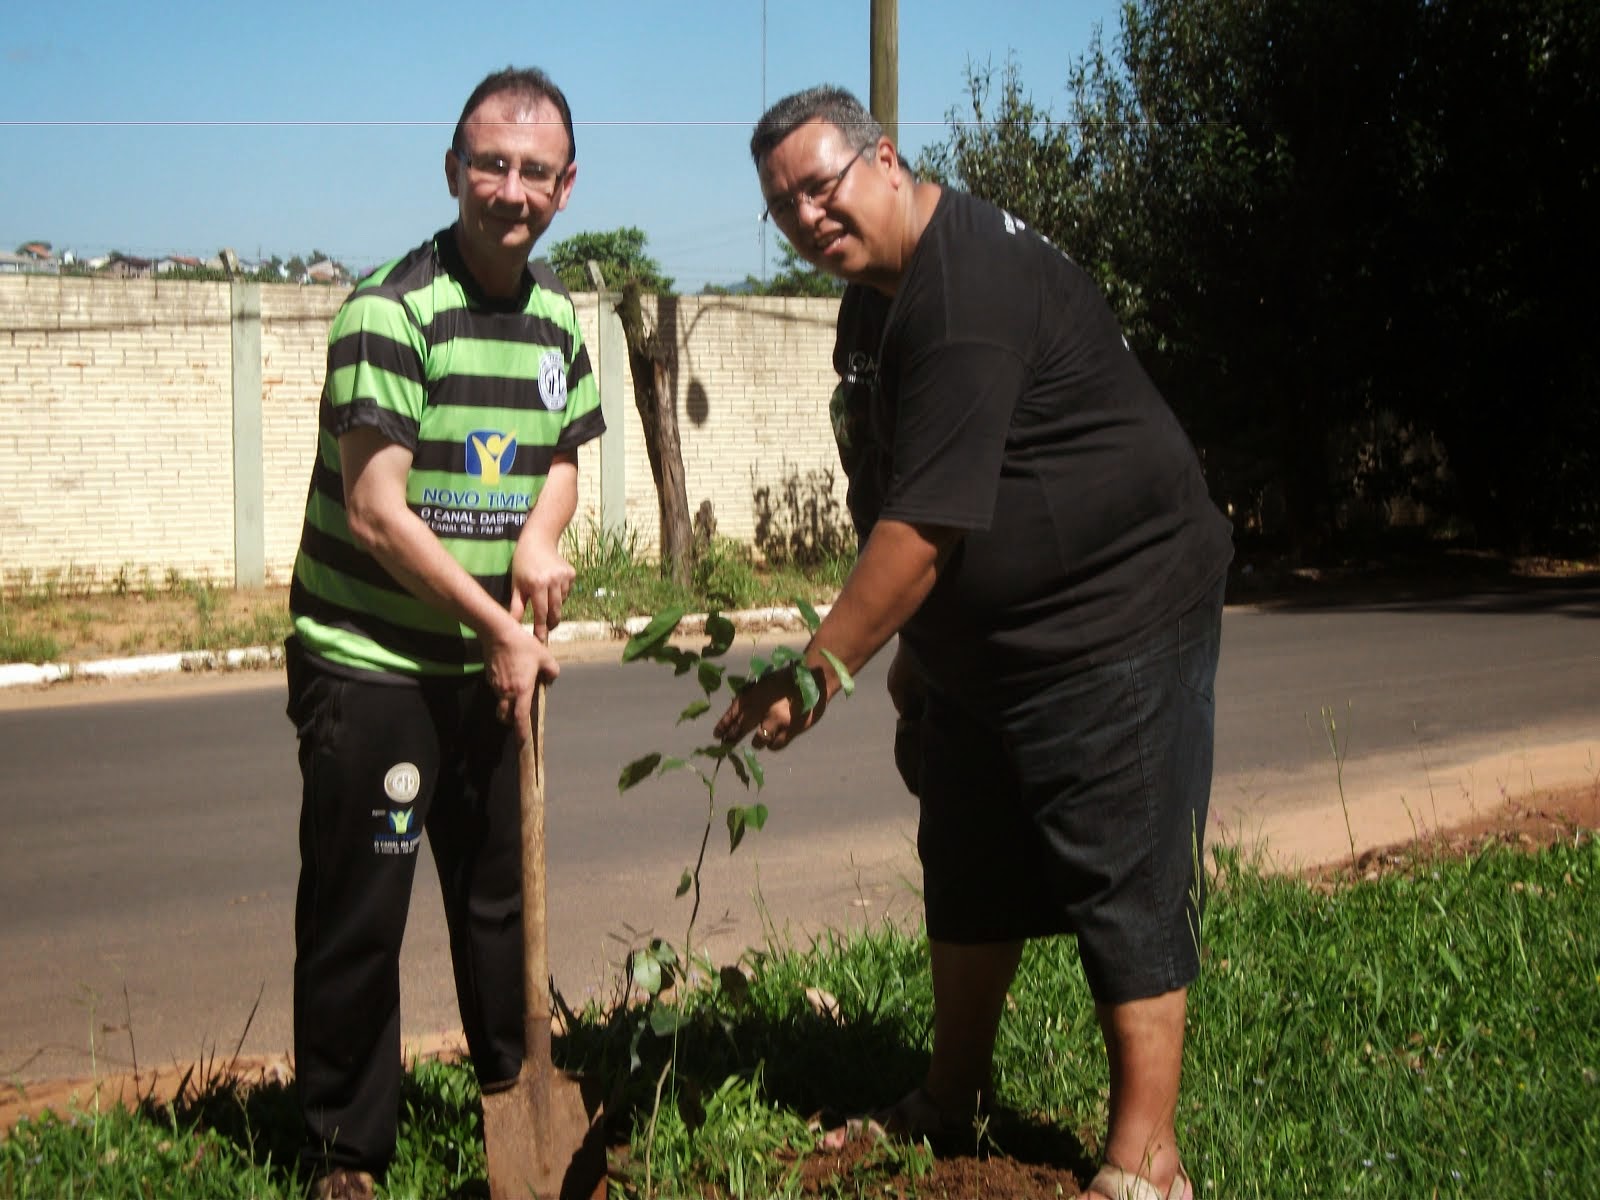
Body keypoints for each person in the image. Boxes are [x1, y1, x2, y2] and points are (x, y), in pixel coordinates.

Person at [715, 86, 1233, 1200]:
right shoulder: (876, 297)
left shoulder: (963, 293)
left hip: (1116, 612)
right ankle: (951, 1097)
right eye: (782, 205)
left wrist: (820, 674)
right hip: (988, 638)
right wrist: (922, 650)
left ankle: (1147, 1160)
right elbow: (907, 486)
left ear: (884, 160)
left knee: (1122, 874)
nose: (806, 217)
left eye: (821, 185)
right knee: (968, 855)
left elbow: (924, 526)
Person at [284, 66, 604, 1200]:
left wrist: (538, 538)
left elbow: (562, 454)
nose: (510, 190)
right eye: (490, 164)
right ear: (454, 171)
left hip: (483, 656)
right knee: (360, 906)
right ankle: (343, 1150)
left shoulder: (562, 316)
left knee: (495, 899)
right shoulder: (390, 310)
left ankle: (517, 1098)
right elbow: (376, 510)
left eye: (534, 171)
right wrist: (500, 632)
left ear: (566, 187)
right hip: (371, 658)